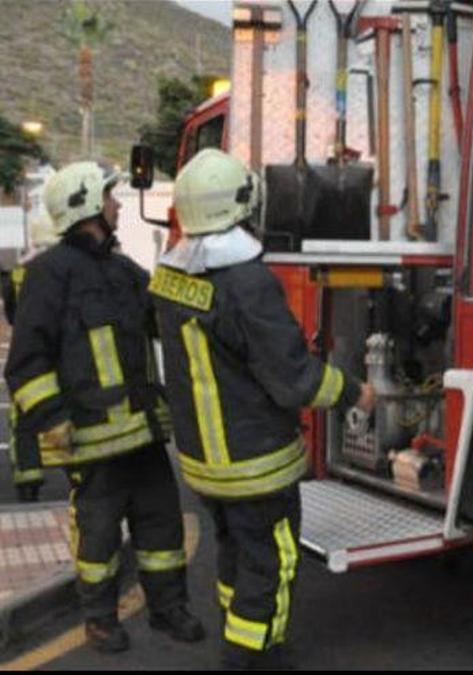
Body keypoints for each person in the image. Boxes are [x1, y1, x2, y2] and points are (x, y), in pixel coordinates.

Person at [150, 148, 375, 669]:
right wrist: (353, 392)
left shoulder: (168, 280)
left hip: (204, 464)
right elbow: (295, 378)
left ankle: (241, 633)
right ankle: (251, 654)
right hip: (254, 465)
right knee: (271, 560)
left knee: (233, 551)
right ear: (241, 204)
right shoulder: (247, 283)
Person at [3, 161, 205, 653]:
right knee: (97, 539)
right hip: (91, 440)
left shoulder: (122, 268)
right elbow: (26, 362)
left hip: (142, 434)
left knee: (161, 528)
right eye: (110, 198)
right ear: (89, 206)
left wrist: (211, 285)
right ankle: (98, 618)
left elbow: (168, 305)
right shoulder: (46, 276)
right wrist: (52, 421)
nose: (117, 204)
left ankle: (168, 609)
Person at [1, 212, 56, 502]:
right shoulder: (63, 267)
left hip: (28, 353)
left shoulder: (19, 273)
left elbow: (10, 314)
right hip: (61, 351)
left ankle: (28, 476)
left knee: (23, 414)